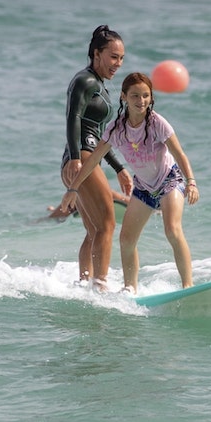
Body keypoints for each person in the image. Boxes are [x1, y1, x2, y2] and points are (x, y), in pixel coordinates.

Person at [62, 72, 199, 294]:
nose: (141, 101)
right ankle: (130, 289)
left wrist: (191, 182)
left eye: (146, 95)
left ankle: (188, 285)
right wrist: (73, 188)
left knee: (172, 230)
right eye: (135, 95)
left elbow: (180, 154)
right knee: (126, 240)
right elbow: (93, 160)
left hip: (169, 181)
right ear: (124, 97)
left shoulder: (157, 123)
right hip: (144, 187)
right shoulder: (117, 129)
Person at [58, 25, 133, 291]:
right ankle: (100, 286)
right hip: (81, 159)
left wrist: (119, 168)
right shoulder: (85, 80)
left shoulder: (99, 85)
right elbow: (73, 117)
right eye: (113, 57)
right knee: (108, 224)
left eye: (121, 58)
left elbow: (101, 137)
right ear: (96, 53)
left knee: (94, 230)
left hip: (86, 157)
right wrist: (76, 159)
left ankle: (85, 284)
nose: (118, 63)